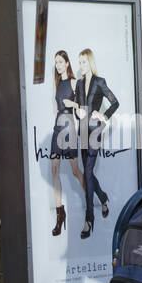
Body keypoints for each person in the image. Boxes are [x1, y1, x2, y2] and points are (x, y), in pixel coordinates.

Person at [73, 48, 119, 239]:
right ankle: (103, 197)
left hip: (95, 132)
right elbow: (77, 109)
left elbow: (115, 102)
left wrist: (103, 115)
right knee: (88, 173)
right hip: (82, 132)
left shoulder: (100, 82)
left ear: (90, 63)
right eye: (79, 62)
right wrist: (78, 113)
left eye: (84, 62)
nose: (81, 65)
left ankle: (89, 218)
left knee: (89, 173)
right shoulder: (78, 84)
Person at [49, 50, 86, 238]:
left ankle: (89, 201)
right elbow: (57, 107)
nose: (58, 65)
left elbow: (81, 110)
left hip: (69, 126)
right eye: (56, 62)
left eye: (60, 62)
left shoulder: (74, 83)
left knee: (74, 170)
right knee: (54, 169)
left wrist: (72, 104)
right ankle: (60, 214)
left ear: (67, 63)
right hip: (58, 126)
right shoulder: (56, 84)